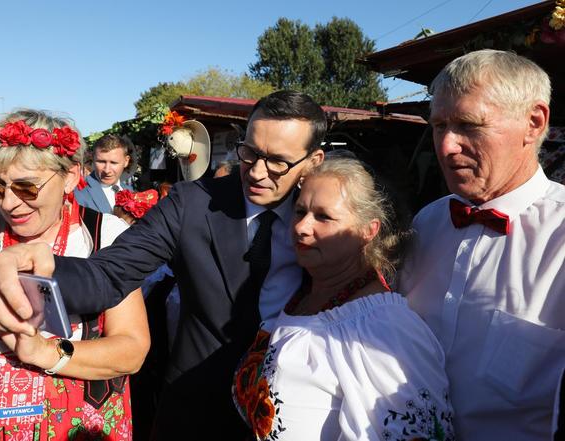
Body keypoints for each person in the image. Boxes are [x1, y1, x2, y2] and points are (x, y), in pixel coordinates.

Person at [0, 90, 327, 440]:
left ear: (314, 161)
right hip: (197, 408)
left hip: (299, 412)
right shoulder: (192, 204)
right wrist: (45, 266)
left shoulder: (333, 221)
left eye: (278, 161)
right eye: (249, 153)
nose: (258, 172)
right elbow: (111, 273)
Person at [0, 109, 149, 440]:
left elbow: (131, 350)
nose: (11, 204)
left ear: (71, 176)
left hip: (82, 426)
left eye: (27, 187)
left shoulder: (106, 234)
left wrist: (47, 353)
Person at [399, 49, 565, 440]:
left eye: (469, 125)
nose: (445, 147)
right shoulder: (427, 223)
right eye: (439, 126)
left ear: (534, 122)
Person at [232, 158, 454, 440]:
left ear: (368, 230)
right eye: (300, 211)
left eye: (323, 217)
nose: (301, 227)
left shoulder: (384, 329)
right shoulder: (302, 295)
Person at [75, 133, 135, 213]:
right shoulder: (78, 193)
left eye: (114, 163)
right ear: (93, 158)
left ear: (126, 161)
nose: (107, 170)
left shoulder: (131, 192)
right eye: (101, 162)